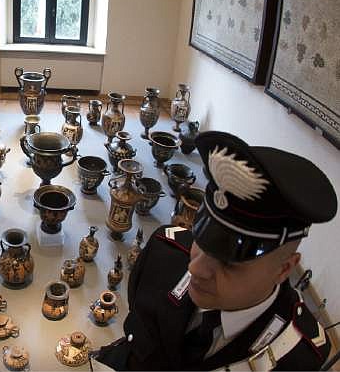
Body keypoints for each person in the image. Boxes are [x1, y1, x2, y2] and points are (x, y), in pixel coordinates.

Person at [94, 131, 337, 370]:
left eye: (229, 262)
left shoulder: (299, 357)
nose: (195, 268)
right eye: (201, 239)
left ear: (284, 269)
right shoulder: (164, 253)